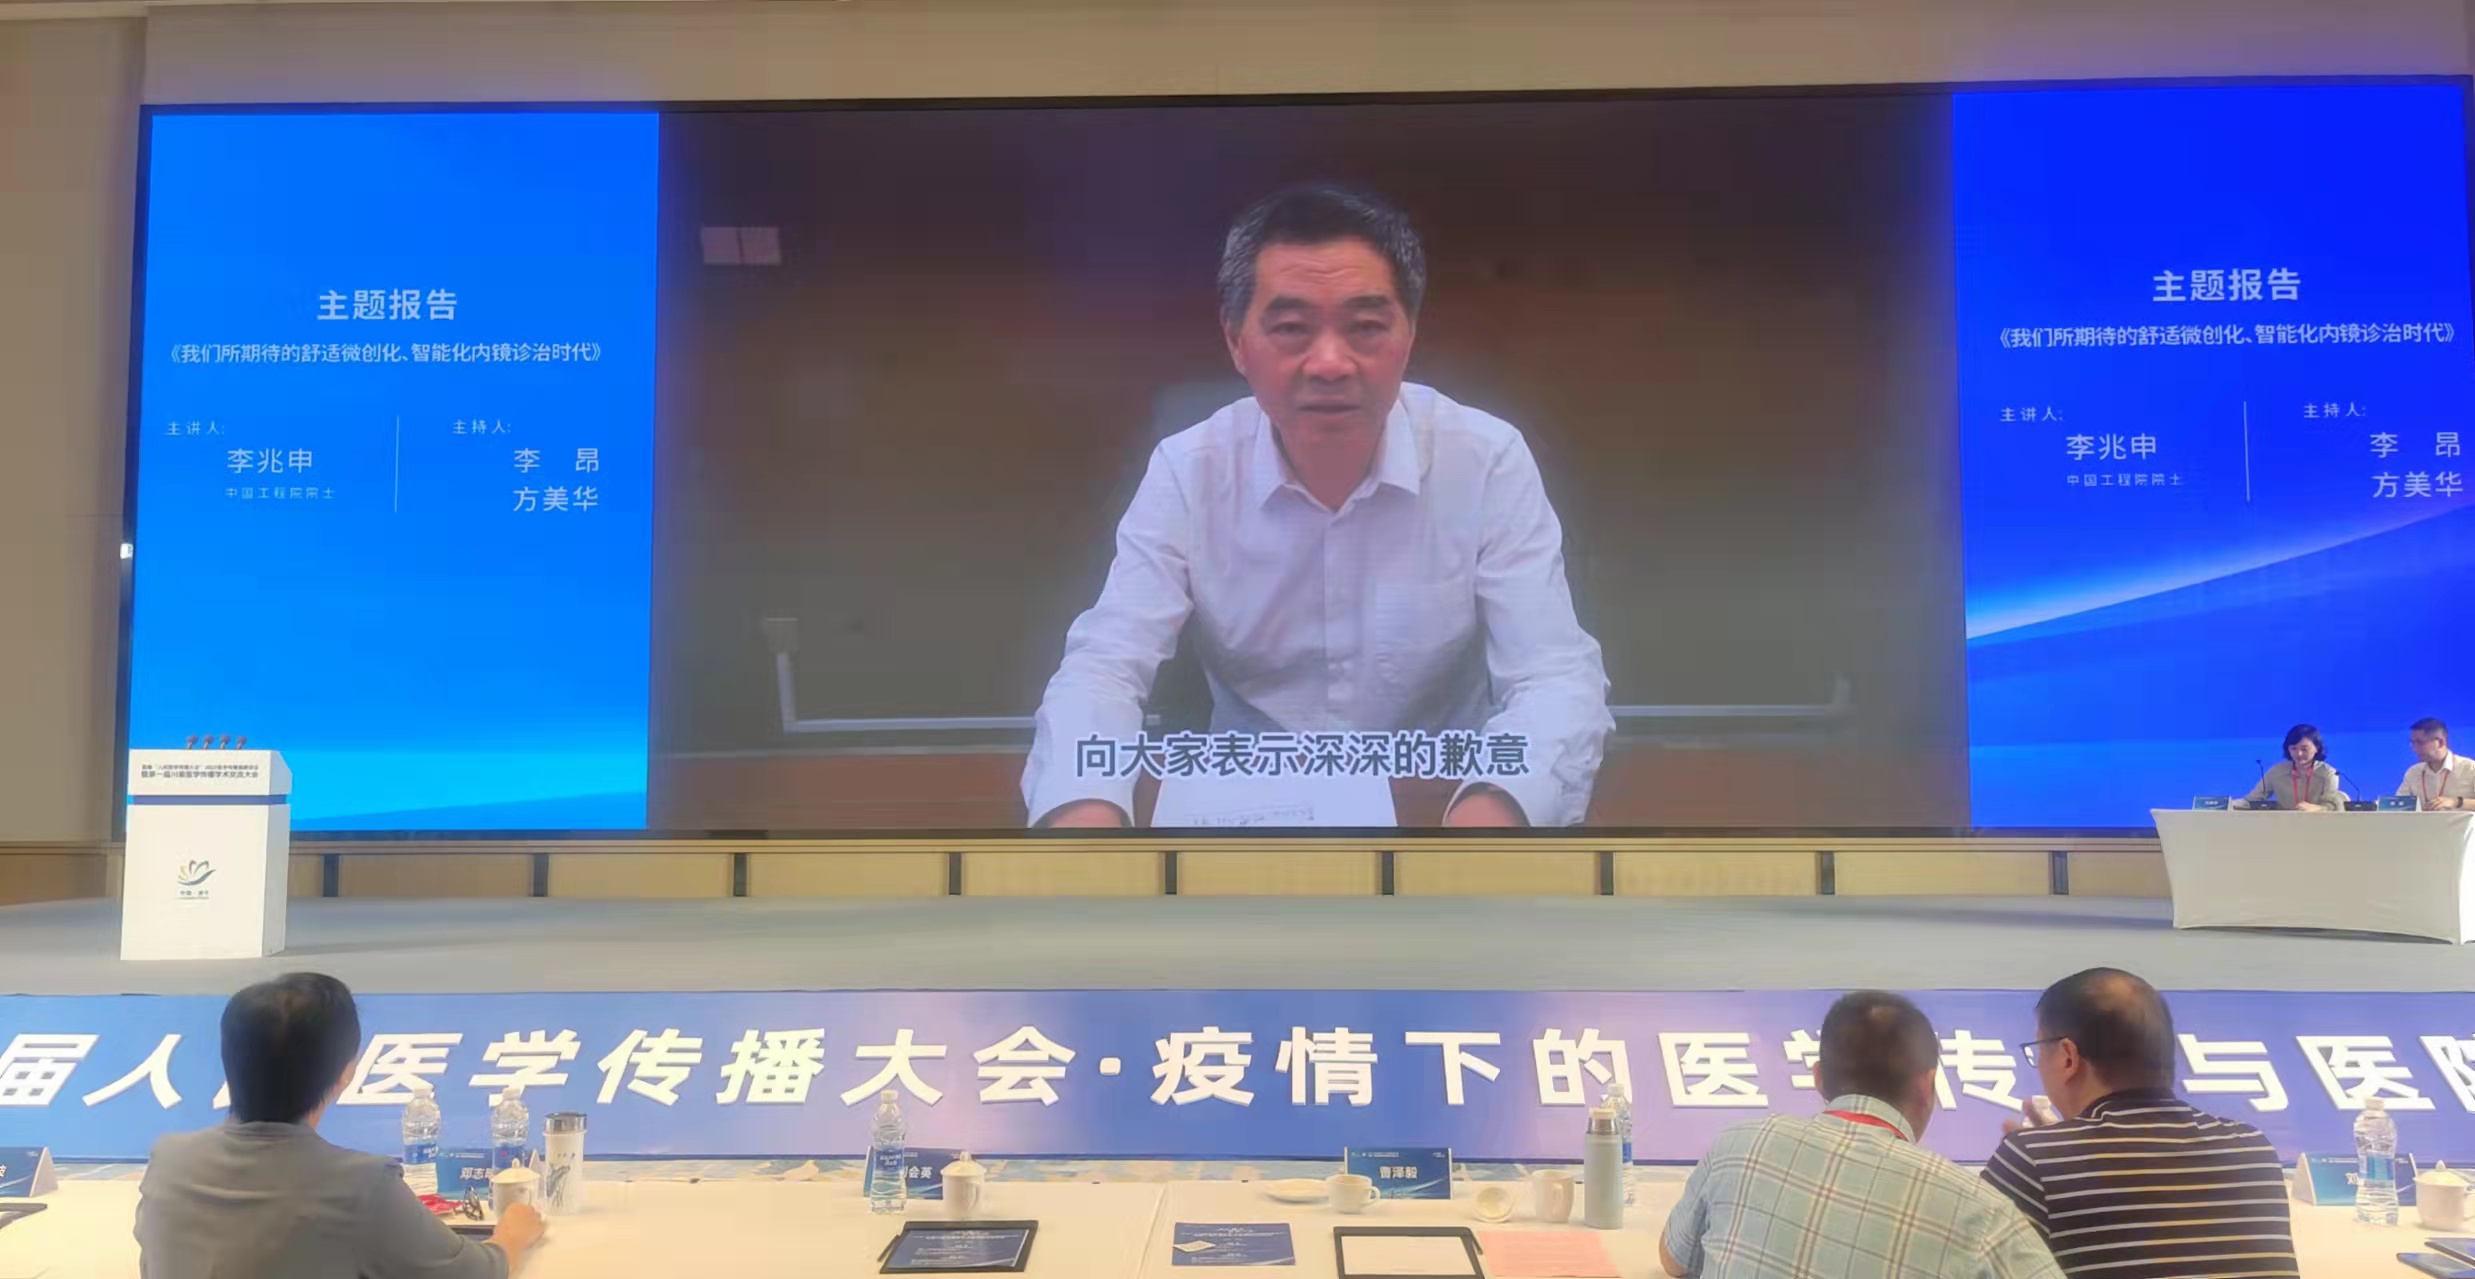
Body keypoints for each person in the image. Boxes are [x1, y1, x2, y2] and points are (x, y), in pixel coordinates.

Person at [1021, 182, 1613, 830]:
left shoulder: (1486, 459)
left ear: (1409, 334)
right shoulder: (1188, 470)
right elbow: (1104, 668)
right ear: (1236, 341)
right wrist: (1082, 811)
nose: (1330, 363)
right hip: (1246, 813)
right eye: (1291, 329)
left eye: (1366, 327)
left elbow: (1554, 676)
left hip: (1438, 800)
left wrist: (1493, 812)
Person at [136, 973, 544, 1278]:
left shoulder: (168, 1162)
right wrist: (513, 1234)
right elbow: (474, 1273)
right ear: (347, 1071)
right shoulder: (361, 1184)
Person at [1659, 990, 2062, 1279]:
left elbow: (1675, 1258)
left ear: (1819, 1078)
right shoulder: (1981, 1212)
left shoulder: (1737, 1146)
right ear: (1927, 1086)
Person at [1983, 968, 2296, 1279]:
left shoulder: (2030, 1160)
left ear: (2067, 1057)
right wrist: (2054, 1149)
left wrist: (2042, 1156)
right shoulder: (2252, 1149)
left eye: (2039, 1049)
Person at [2232, 723, 2342, 811]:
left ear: (2317, 748)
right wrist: (2227, 804)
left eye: (2304, 749)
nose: (2299, 754)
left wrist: (2317, 808)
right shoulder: (2277, 772)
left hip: (2320, 825)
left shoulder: (2328, 773)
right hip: (2284, 825)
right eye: (2293, 748)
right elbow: (2250, 801)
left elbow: (2332, 806)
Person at [2399, 717, 2475, 810]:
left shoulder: (2470, 768)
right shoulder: (2413, 773)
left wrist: (2456, 802)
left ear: (2440, 742)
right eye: (2412, 743)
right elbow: (2398, 807)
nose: (2414, 749)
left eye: (2420, 742)